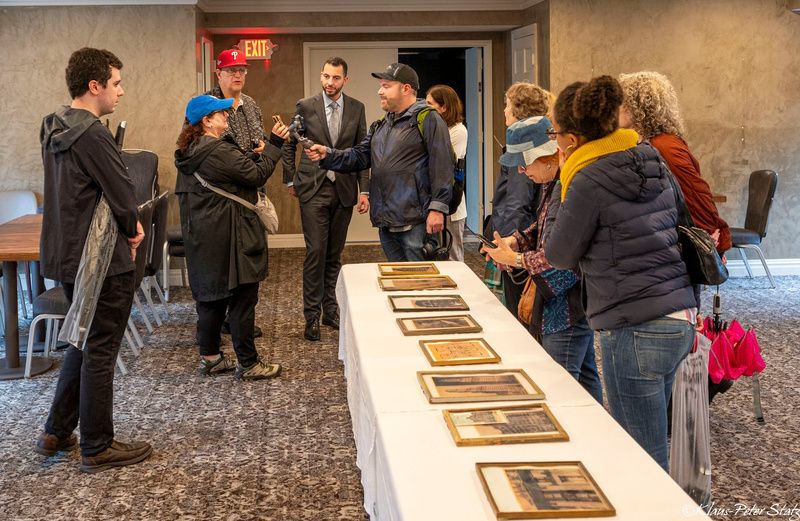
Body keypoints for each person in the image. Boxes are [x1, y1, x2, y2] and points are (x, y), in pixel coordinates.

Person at [543, 76, 698, 471]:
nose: (554, 140)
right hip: (679, 314)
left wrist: (564, 182)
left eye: (555, 133)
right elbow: (682, 221)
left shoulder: (586, 178)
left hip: (632, 324)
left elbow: (559, 253)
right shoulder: (651, 158)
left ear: (572, 140)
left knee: (641, 455)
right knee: (656, 437)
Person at [36, 47, 151, 473]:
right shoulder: (92, 133)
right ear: (95, 86)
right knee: (101, 347)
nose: (121, 91)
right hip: (101, 257)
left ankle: (56, 431)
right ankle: (98, 445)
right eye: (116, 83)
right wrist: (134, 227)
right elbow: (124, 193)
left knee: (81, 340)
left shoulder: (53, 127)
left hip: (66, 254)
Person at [618, 70, 734, 401]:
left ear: (639, 109)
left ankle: (680, 407)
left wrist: (715, 235)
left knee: (676, 340)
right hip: (664, 261)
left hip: (676, 262)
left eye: (623, 105)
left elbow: (701, 204)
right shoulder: (651, 145)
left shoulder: (664, 147)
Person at [482, 116, 603, 404]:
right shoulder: (555, 181)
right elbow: (542, 226)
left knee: (560, 388)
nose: (522, 172)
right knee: (585, 378)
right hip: (569, 302)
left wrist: (516, 258)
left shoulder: (570, 185)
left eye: (526, 164)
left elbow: (559, 255)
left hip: (566, 306)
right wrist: (516, 241)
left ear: (549, 157)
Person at [174, 95, 288, 381]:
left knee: (212, 298)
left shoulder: (192, 149)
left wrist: (251, 156)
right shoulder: (214, 149)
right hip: (231, 235)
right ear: (206, 120)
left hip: (205, 236)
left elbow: (229, 173)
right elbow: (255, 176)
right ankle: (249, 363)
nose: (227, 117)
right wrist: (275, 145)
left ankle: (211, 357)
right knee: (243, 297)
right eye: (221, 114)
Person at [305, 62, 453, 262]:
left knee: (419, 283)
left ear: (406, 88)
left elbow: (442, 166)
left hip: (416, 223)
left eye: (386, 86)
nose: (379, 91)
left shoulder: (428, 119)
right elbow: (359, 156)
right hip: (387, 222)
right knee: (399, 282)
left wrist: (438, 209)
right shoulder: (381, 125)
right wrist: (327, 155)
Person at [281, 57, 369, 341]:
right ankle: (311, 316)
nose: (329, 83)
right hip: (313, 187)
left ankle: (331, 310)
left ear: (346, 80)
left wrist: (364, 189)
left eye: (335, 78)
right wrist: (289, 177)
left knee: (334, 254)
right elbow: (290, 142)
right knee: (316, 251)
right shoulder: (305, 106)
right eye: (326, 77)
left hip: (343, 189)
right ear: (321, 77)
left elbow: (362, 152)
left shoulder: (357, 108)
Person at [207, 47, 268, 338]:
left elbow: (260, 138)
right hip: (224, 200)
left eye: (242, 70)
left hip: (252, 191)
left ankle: (239, 321)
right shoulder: (207, 106)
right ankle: (220, 324)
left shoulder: (252, 104)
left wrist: (262, 149)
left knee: (249, 266)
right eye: (232, 70)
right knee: (226, 268)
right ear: (218, 73)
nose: (238, 75)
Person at [492, 82, 548, 317]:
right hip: (525, 243)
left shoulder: (527, 151)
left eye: (507, 105)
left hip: (523, 248)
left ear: (518, 109)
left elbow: (518, 202)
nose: (504, 110)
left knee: (521, 314)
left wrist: (507, 244)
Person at [425, 84, 467, 261]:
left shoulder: (458, 131)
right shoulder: (431, 128)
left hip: (451, 204)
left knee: (452, 254)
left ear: (443, 107)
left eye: (430, 104)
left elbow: (442, 160)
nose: (425, 109)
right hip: (432, 202)